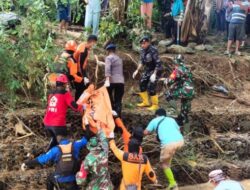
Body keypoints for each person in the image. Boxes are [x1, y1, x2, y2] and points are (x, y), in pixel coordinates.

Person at [21, 134, 88, 190]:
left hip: (60, 180)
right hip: (74, 179)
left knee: (50, 178)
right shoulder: (76, 145)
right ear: (69, 139)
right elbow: (85, 139)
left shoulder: (55, 149)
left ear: (59, 141)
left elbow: (42, 159)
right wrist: (88, 125)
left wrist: (27, 163)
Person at [144, 108, 184, 190]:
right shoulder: (171, 119)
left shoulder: (154, 120)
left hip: (168, 144)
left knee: (164, 164)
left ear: (157, 115)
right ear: (165, 114)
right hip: (180, 141)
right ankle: (173, 182)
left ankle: (173, 184)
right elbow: (179, 129)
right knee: (168, 158)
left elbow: (146, 132)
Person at [43, 74, 83, 150]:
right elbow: (75, 107)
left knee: (55, 140)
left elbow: (51, 105)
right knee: (64, 144)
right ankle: (62, 159)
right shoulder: (65, 93)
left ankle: (48, 155)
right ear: (65, 84)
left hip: (47, 122)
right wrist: (82, 106)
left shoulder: (51, 93)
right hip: (57, 124)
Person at [76, 123, 113, 190]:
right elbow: (104, 140)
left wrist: (77, 175)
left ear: (88, 146)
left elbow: (80, 181)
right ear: (99, 144)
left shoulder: (87, 161)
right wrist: (99, 129)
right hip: (107, 187)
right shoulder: (104, 152)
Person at [133, 36, 163, 111]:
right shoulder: (142, 50)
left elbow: (158, 63)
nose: (142, 45)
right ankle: (146, 102)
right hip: (148, 69)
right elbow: (141, 61)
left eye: (144, 43)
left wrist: (155, 74)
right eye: (141, 44)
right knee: (142, 82)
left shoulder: (153, 50)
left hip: (156, 69)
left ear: (148, 43)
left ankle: (155, 105)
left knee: (151, 86)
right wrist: (137, 70)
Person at [164, 54, 194, 126]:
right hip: (191, 92)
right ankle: (184, 123)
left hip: (184, 91)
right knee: (185, 107)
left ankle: (172, 114)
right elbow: (183, 80)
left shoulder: (177, 70)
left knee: (168, 94)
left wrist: (165, 80)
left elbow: (169, 81)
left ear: (175, 62)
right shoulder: (187, 69)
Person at [103, 43, 125, 117]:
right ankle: (118, 116)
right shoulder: (119, 59)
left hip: (112, 81)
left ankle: (111, 113)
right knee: (118, 99)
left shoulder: (108, 58)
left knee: (108, 97)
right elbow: (116, 69)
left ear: (108, 51)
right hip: (121, 82)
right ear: (114, 51)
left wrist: (107, 79)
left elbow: (108, 68)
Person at [74, 35, 98, 101]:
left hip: (78, 70)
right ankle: (79, 104)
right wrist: (84, 76)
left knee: (81, 88)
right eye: (94, 43)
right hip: (76, 71)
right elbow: (80, 65)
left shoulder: (84, 46)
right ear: (92, 41)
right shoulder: (83, 50)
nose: (94, 45)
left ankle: (78, 104)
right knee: (81, 88)